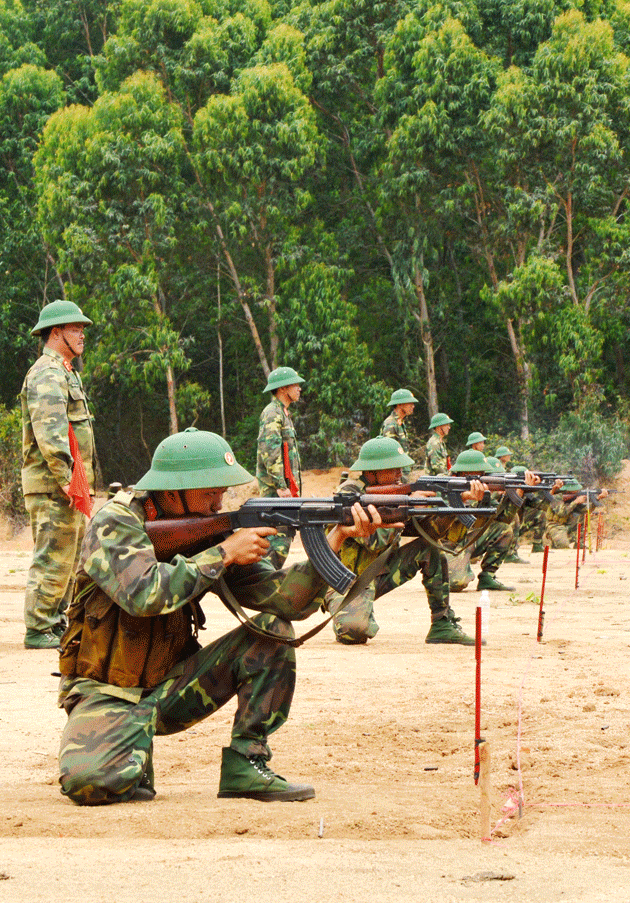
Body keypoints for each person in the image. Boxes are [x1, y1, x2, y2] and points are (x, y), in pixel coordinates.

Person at [56, 428, 382, 805]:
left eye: (222, 492)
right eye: (209, 492)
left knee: (273, 631)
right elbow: (144, 595)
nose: (219, 501)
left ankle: (246, 763)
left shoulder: (207, 531)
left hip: (170, 688)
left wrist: (336, 539)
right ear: (173, 489)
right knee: (90, 784)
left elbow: (286, 602)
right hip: (106, 690)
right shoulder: (116, 523)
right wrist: (224, 553)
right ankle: (126, 746)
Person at [328, 437, 483, 646]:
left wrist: (457, 503)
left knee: (428, 549)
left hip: (378, 574)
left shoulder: (396, 493)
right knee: (353, 633)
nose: (400, 474)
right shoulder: (350, 493)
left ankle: (442, 623)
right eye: (393, 469)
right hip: (344, 581)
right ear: (373, 471)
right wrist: (404, 508)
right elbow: (372, 540)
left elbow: (429, 533)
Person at [19, 299, 98, 649]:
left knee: (68, 557)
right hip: (54, 485)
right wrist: (67, 480)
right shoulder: (47, 373)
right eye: (75, 328)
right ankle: (39, 629)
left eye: (82, 329)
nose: (82, 334)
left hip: (67, 484)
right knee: (53, 555)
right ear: (56, 332)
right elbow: (50, 431)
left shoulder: (65, 371)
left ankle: (55, 623)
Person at [254, 366, 305, 567]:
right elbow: (270, 450)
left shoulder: (282, 413)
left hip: (284, 490)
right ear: (284, 388)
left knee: (282, 537)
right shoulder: (272, 413)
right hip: (277, 493)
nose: (299, 388)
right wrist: (281, 486)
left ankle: (264, 579)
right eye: (296, 384)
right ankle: (262, 582)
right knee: (278, 540)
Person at [454, 449, 518, 592]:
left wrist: (515, 493)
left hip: (467, 541)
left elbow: (504, 519)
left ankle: (487, 577)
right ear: (466, 473)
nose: (484, 477)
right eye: (481, 474)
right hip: (444, 546)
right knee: (456, 583)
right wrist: (464, 496)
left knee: (503, 529)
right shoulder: (444, 484)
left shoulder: (483, 492)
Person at [379, 389, 419, 464]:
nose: (413, 406)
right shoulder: (390, 424)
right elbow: (389, 455)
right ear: (399, 404)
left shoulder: (399, 423)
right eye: (409, 403)